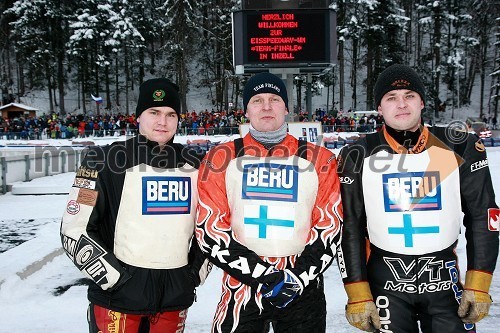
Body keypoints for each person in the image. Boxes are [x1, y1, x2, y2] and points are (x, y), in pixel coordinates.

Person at [337, 64, 499, 332]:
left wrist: (478, 284)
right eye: (391, 98)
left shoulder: (459, 145)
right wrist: (357, 293)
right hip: (386, 281)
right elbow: (349, 226)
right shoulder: (357, 152)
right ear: (379, 108)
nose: (401, 104)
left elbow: (484, 216)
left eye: (409, 95)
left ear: (422, 102)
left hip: (443, 280)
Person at [195, 72, 343, 332]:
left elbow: (330, 226)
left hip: (303, 288)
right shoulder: (219, 157)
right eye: (257, 100)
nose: (266, 106)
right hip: (242, 288)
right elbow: (210, 229)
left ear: (286, 108)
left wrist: (297, 277)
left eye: (274, 99)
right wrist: (266, 277)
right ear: (246, 110)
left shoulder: (320, 158)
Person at [60, 78, 211, 333]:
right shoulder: (101, 159)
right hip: (116, 301)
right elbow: (74, 229)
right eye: (154, 112)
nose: (162, 121)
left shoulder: (197, 165)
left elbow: (211, 227)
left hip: (173, 301)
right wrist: (115, 279)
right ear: (138, 116)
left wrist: (193, 276)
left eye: (170, 114)